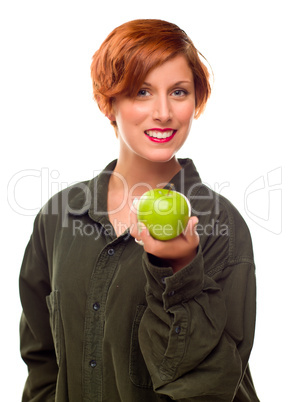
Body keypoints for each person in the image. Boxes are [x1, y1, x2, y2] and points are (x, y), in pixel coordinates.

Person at [19, 19, 260, 401]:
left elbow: (210, 384)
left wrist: (180, 271)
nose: (163, 112)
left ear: (196, 101)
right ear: (107, 102)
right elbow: (42, 360)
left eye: (179, 92)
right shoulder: (59, 216)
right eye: (142, 92)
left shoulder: (218, 224)